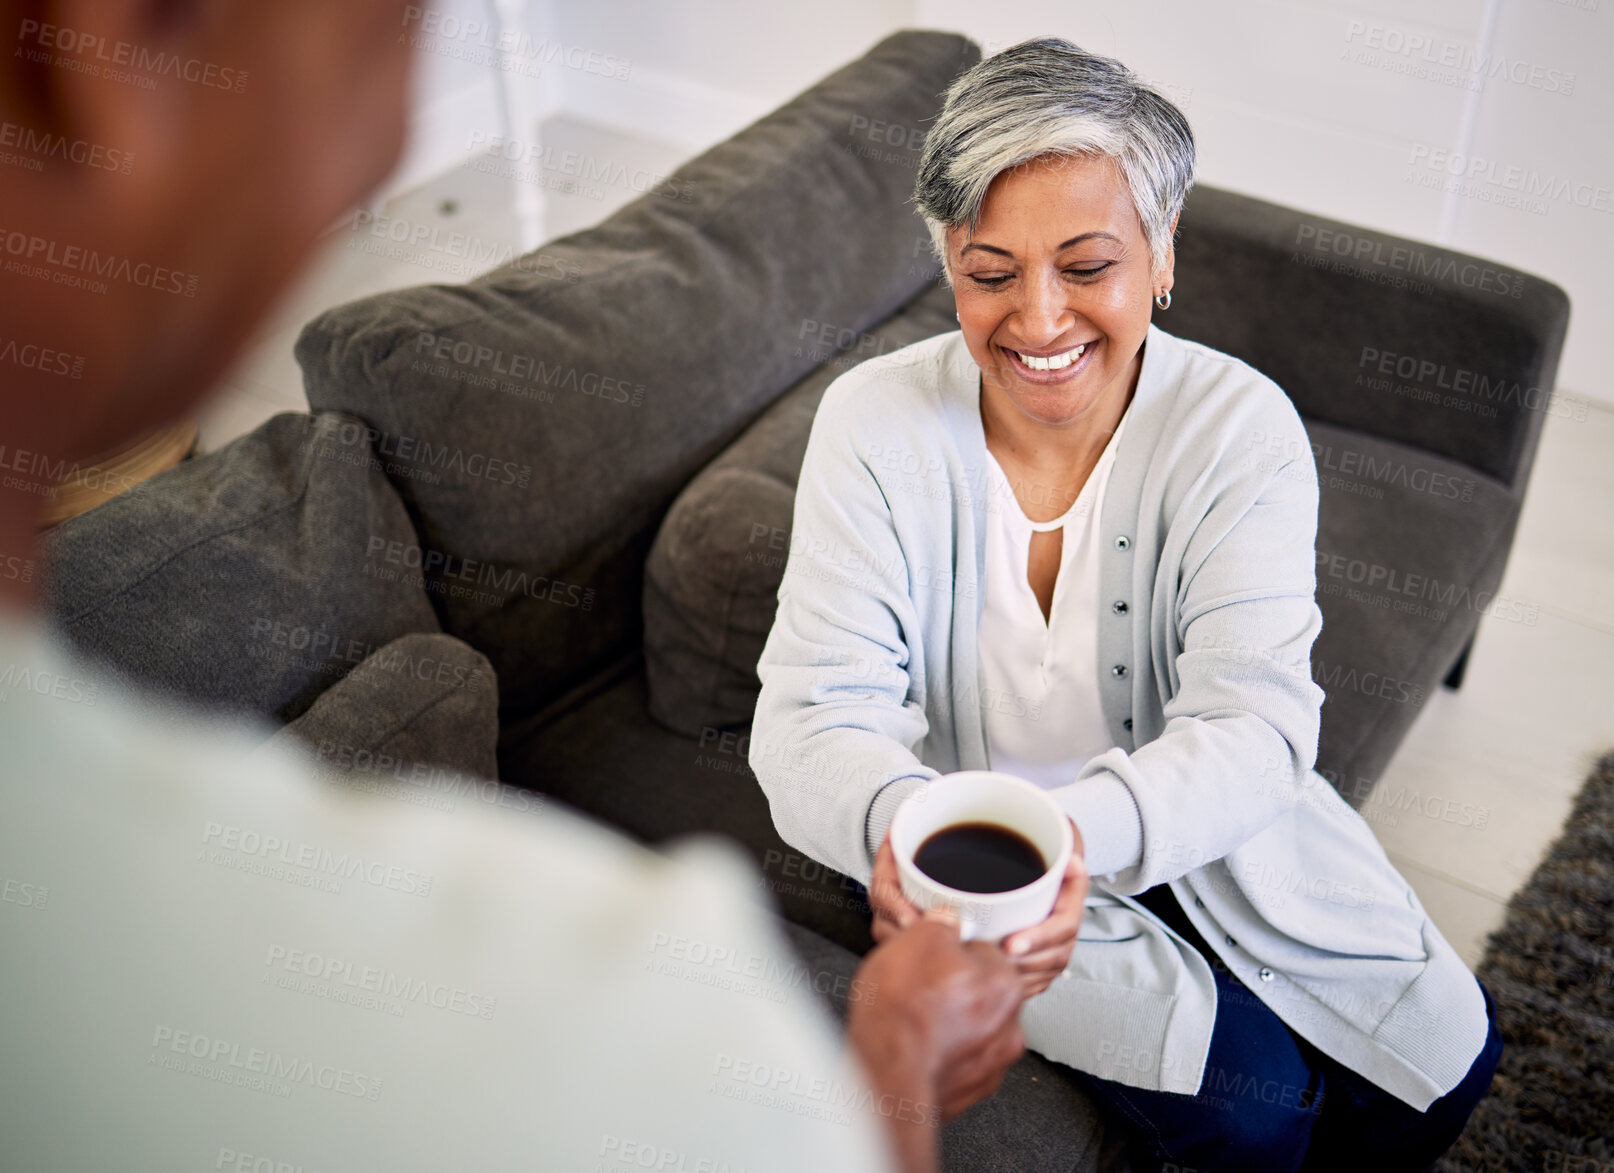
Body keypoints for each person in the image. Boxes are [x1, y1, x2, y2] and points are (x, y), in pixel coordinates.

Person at [0, 4, 1028, 1172]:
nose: (387, 134)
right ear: (109, 51)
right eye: (394, 29)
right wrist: (892, 1063)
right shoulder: (615, 1007)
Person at [751, 37, 1503, 1172]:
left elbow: (1256, 728)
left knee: (1448, 1063)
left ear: (1160, 255)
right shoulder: (874, 425)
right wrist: (919, 842)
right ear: (946, 263)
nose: (1039, 322)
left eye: (1086, 265)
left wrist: (1077, 838)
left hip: (1216, 831)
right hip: (980, 871)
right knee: (1257, 1115)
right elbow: (808, 722)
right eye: (989, 272)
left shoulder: (1238, 429)